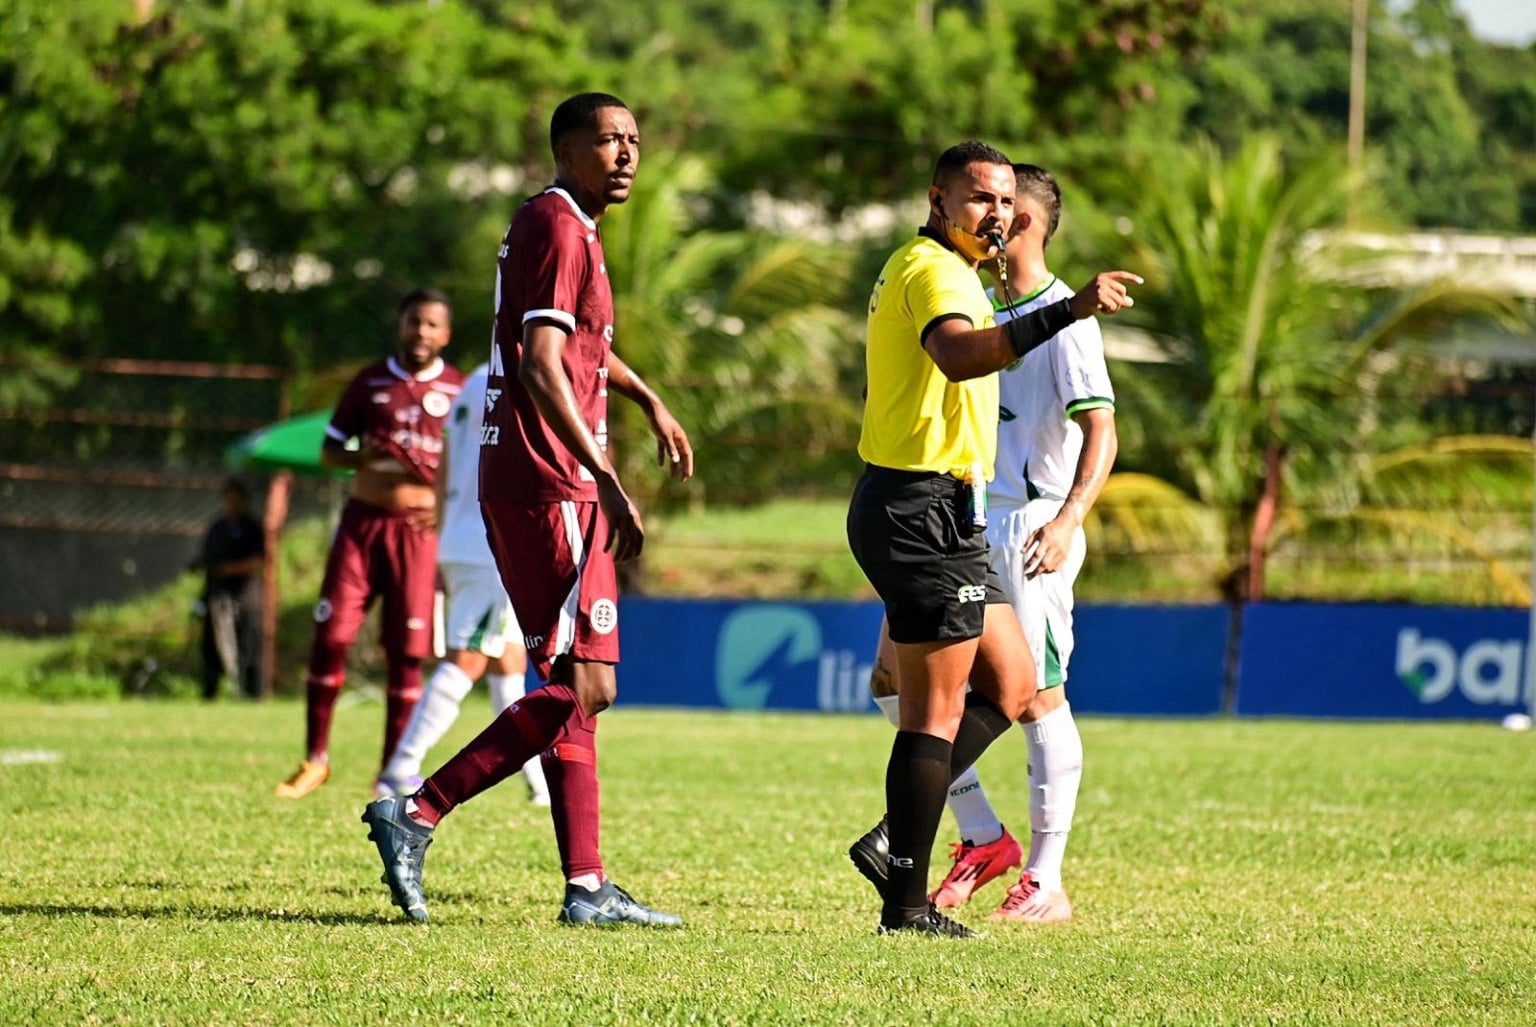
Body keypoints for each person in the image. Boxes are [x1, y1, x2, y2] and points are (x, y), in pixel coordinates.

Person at [361, 92, 694, 928]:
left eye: (634, 141)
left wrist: (648, 398)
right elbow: (544, 364)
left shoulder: (572, 227)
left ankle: (586, 885)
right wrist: (604, 472)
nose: (626, 154)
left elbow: (581, 347)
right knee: (589, 682)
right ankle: (419, 808)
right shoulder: (556, 225)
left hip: (541, 478)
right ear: (566, 149)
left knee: (567, 679)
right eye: (608, 140)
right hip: (553, 481)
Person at [844, 140, 1138, 937]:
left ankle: (931, 840)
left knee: (1011, 683)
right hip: (922, 506)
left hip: (948, 506)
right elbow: (960, 356)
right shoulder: (939, 272)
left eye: (1005, 200)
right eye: (979, 198)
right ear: (938, 199)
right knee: (927, 714)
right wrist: (1070, 307)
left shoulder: (950, 270)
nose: (995, 213)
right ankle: (905, 903)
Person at [274, 288, 464, 799]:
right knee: (332, 635)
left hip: (418, 535)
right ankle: (315, 758)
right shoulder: (370, 381)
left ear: (445, 334)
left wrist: (441, 506)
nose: (420, 333)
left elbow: (471, 467)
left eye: (431, 325)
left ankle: (390, 773)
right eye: (413, 322)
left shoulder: (459, 391)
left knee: (406, 654)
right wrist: (365, 455)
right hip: (362, 526)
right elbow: (331, 451)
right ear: (399, 325)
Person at [376, 360, 549, 806]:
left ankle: (539, 784)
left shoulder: (473, 380)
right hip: (490, 541)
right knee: (468, 659)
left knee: (507, 661)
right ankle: (399, 768)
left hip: (463, 535)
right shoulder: (528, 374)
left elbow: (447, 461)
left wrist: (444, 531)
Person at [192, 477, 265, 700]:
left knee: (249, 648)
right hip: (218, 597)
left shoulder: (252, 527)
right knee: (212, 648)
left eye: (236, 499)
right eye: (228, 499)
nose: (232, 503)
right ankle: (210, 693)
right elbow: (207, 557)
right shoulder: (217, 528)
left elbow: (258, 561)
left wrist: (229, 569)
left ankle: (251, 694)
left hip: (245, 598)